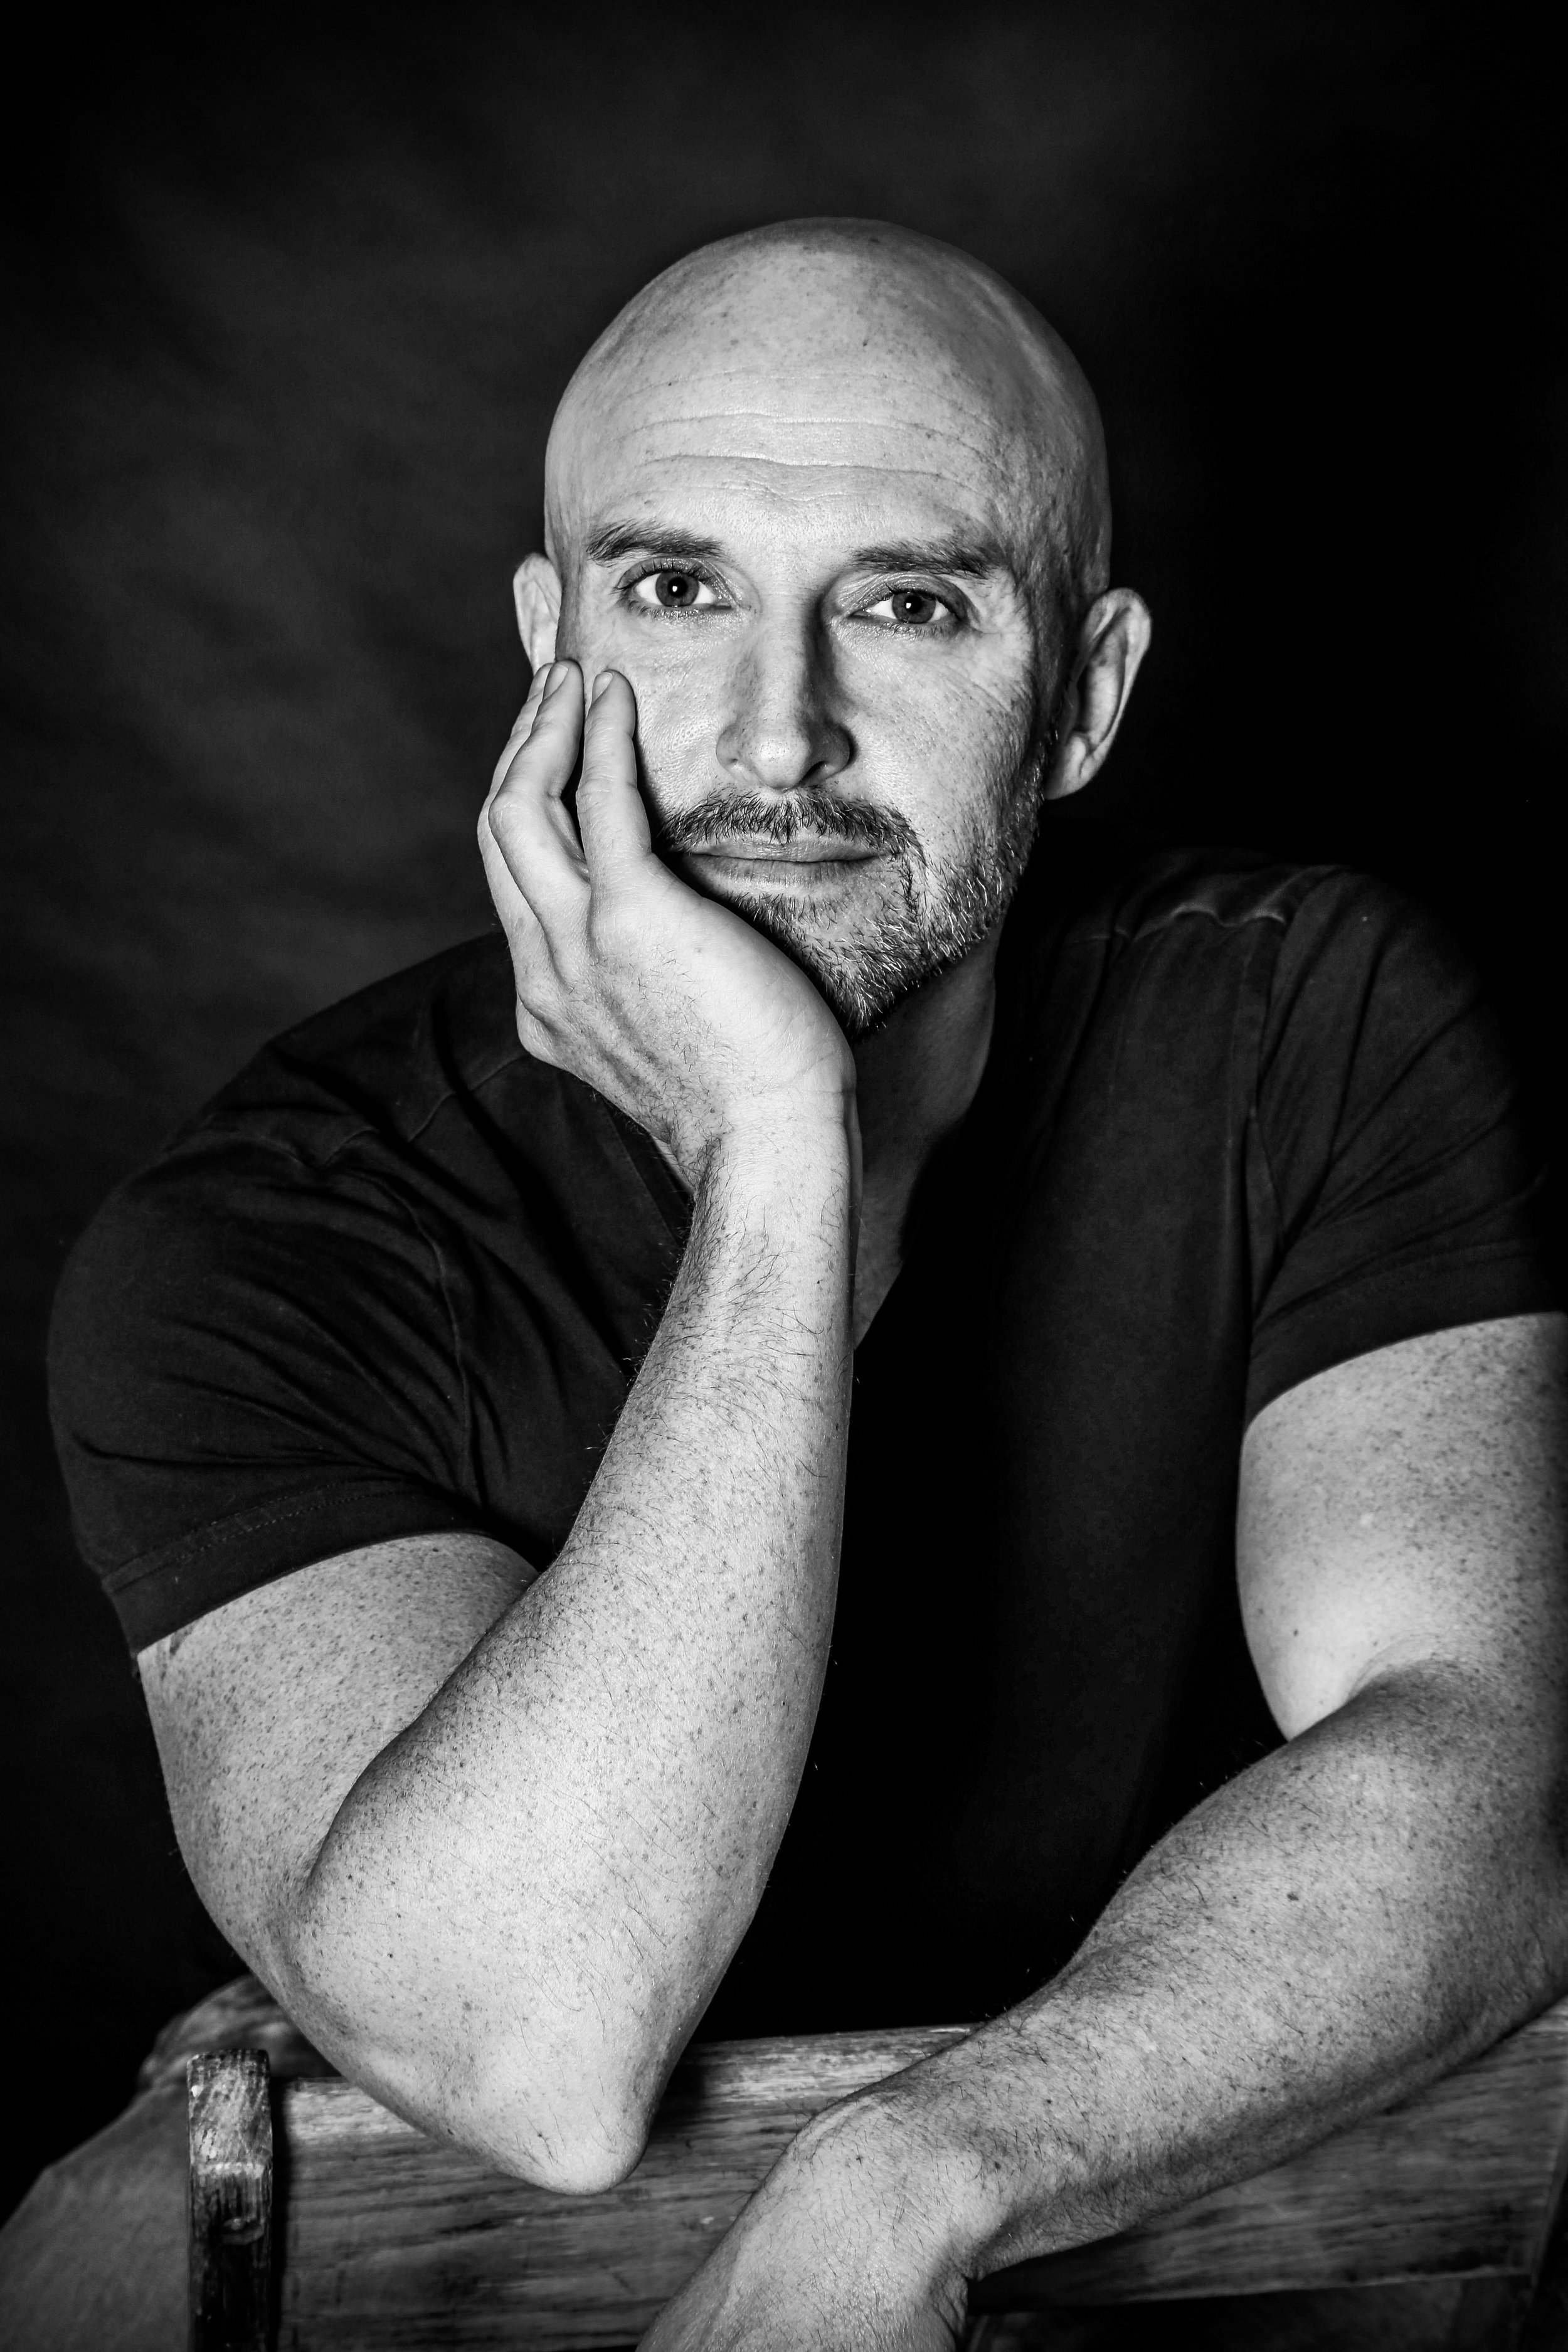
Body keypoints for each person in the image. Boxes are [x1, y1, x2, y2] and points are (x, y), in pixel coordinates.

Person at [25, 218, 1568, 2348]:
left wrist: (908, 2186)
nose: (775, 742)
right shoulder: (269, 1239)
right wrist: (777, 1153)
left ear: (1085, 697)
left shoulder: (1306, 1022)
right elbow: (532, 2049)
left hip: (1166, 2211)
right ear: (549, 646)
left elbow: (1486, 1788)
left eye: (906, 604)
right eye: (676, 593)